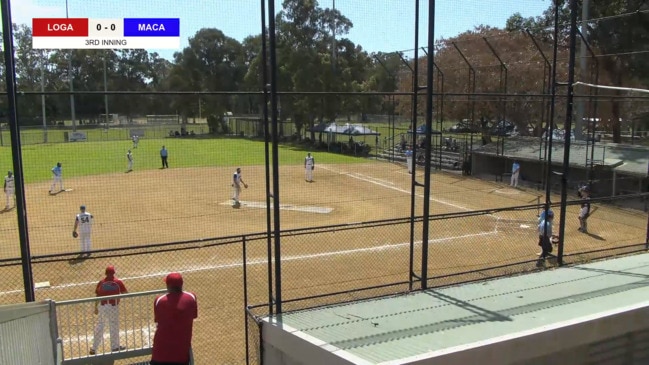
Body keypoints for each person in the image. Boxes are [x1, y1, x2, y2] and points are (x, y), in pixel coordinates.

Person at [151, 272, 198, 365]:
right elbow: (194, 315)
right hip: (181, 354)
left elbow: (158, 320)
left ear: (168, 286)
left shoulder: (160, 300)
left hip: (160, 354)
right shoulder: (191, 297)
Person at [89, 265, 127, 355]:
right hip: (113, 307)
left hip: (102, 307)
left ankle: (94, 348)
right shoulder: (118, 282)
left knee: (100, 326)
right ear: (114, 273)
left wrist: (95, 307)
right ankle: (114, 347)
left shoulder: (101, 282)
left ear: (105, 273)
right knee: (114, 326)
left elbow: (97, 296)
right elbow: (126, 293)